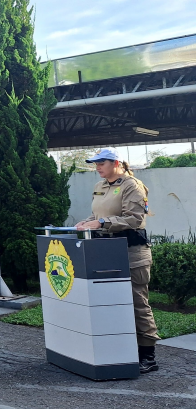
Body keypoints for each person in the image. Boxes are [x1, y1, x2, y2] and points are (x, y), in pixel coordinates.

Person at [75, 147, 160, 373]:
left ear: (116, 163)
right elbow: (98, 215)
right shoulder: (100, 186)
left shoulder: (132, 185)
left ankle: (148, 356)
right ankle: (122, 350)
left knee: (137, 303)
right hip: (107, 251)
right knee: (111, 302)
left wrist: (101, 223)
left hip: (131, 252)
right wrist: (86, 222)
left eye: (101, 163)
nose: (97, 167)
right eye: (96, 163)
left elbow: (134, 219)